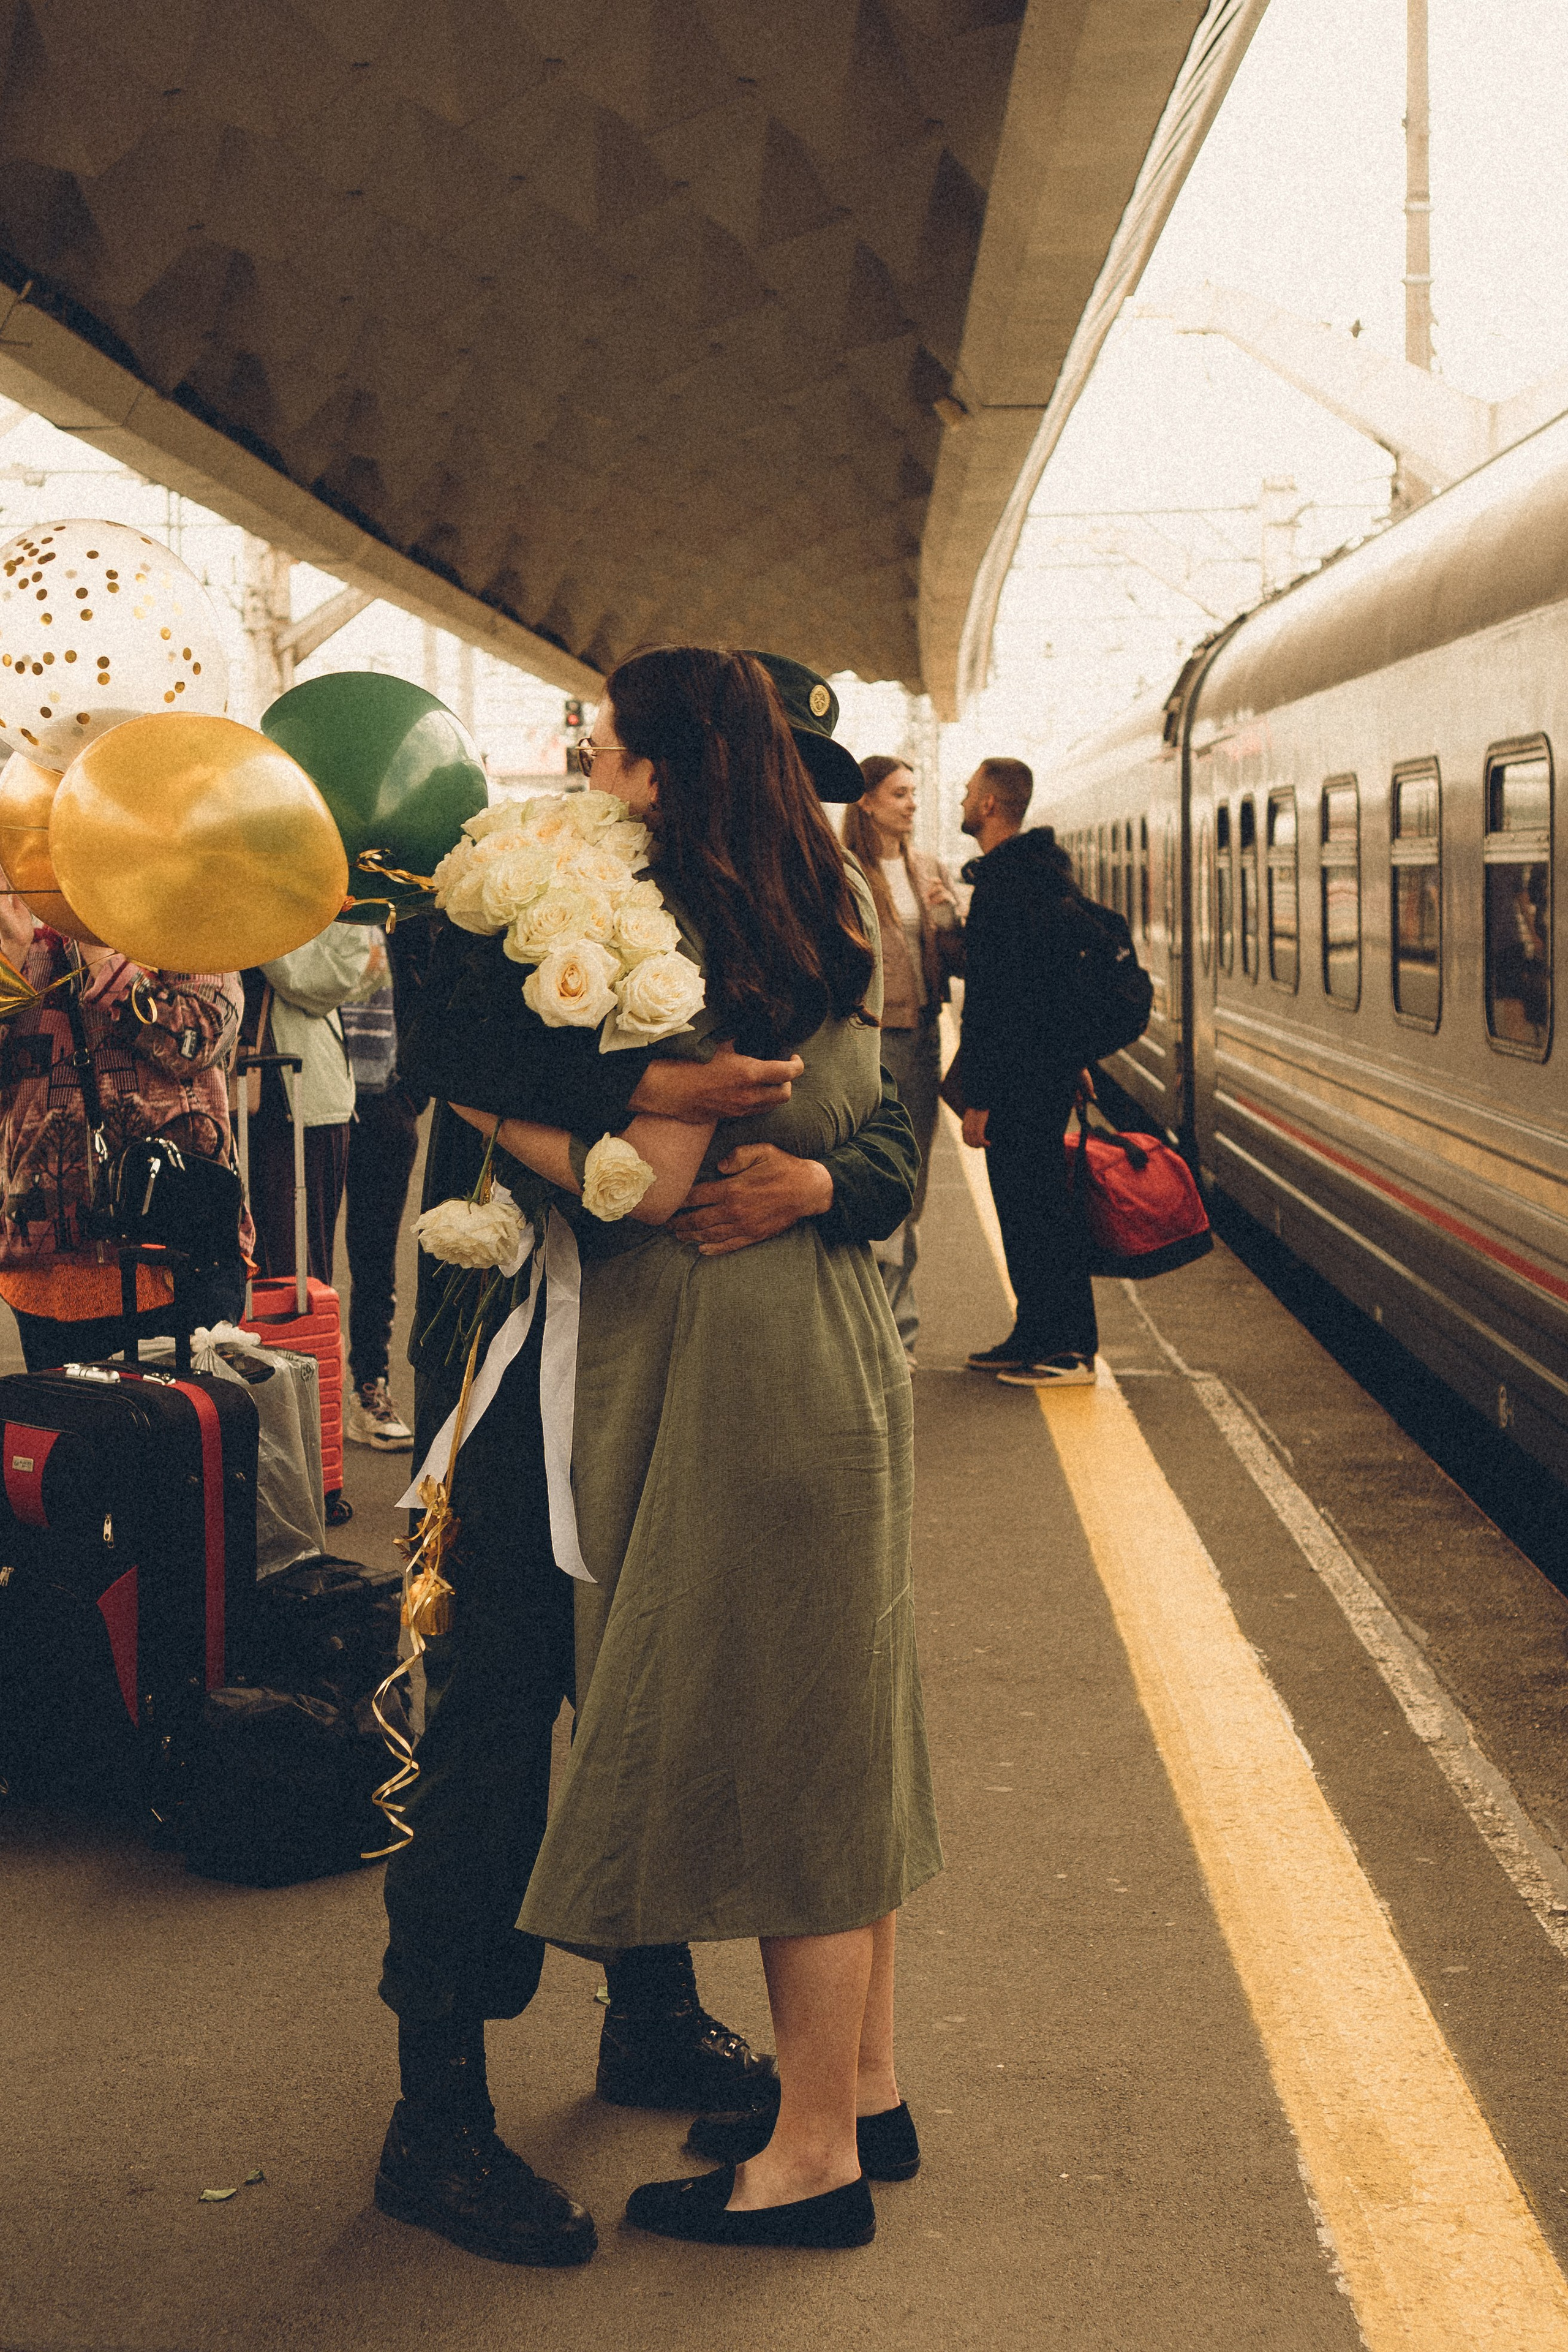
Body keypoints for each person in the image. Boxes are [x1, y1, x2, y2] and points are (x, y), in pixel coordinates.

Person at [373, 659, 924, 2268]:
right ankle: (441, 2114)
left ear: (666, 773)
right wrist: (634, 1086)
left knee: (662, 1703)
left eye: (598, 751)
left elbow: (884, 1137)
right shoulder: (517, 915)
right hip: (519, 1379)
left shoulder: (785, 919)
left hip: (668, 1388)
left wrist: (812, 1182)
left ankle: (653, 2020)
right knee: (491, 1736)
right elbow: (437, 1056)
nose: (577, 775)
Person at [0, 892, 250, 1369]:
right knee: (75, 1439)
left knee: (182, 1435)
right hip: (44, 1269)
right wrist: (8, 969)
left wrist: (105, 958)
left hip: (178, 1255)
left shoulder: (181, 906)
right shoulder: (12, 924)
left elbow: (202, 1037)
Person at [956, 758, 1099, 1386]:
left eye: (967, 793)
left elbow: (997, 999)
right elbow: (1058, 984)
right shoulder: (1042, 874)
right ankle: (1034, 1332)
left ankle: (1066, 1350)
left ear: (989, 806)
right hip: (1043, 1071)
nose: (961, 800)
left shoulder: (1004, 884)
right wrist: (1076, 1060)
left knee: (1037, 1212)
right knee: (1032, 1209)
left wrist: (979, 1097)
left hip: (1017, 1081)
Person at [842, 755, 962, 1363]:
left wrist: (947, 915)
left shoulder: (926, 867)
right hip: (874, 1038)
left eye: (914, 793)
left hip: (923, 1037)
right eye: (900, 793)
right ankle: (889, 1330)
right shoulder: (844, 870)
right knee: (879, 1171)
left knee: (910, 1184)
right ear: (867, 801)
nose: (912, 804)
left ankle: (895, 1323)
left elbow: (953, 956)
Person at [339, 918, 434, 1452]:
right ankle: (305, 1394)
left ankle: (370, 1388)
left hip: (386, 1098)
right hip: (304, 1091)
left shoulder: (403, 898)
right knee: (295, 1262)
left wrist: (409, 1092)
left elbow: (429, 988)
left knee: (375, 1254)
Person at [243, 920, 373, 1289]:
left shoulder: (328, 889)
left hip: (303, 1103)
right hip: (213, 1101)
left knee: (297, 1277)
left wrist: (251, 926)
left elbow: (331, 976)